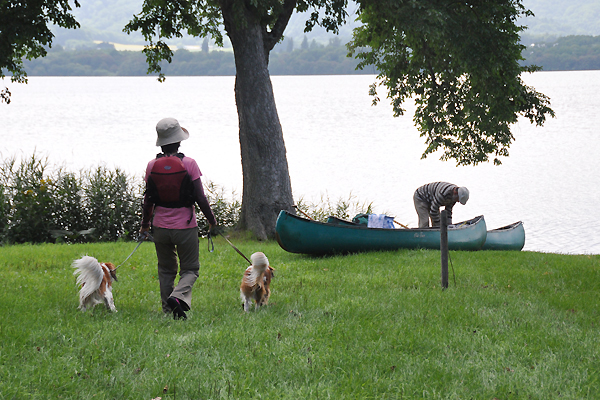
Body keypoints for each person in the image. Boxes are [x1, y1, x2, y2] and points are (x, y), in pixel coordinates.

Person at [140, 117, 217, 320]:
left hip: (160, 227)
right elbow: (200, 197)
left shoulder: (151, 166)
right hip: (185, 226)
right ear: (179, 141)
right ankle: (177, 296)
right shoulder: (189, 164)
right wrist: (212, 220)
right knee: (190, 269)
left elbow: (148, 199)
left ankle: (169, 310)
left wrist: (145, 226)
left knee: (166, 270)